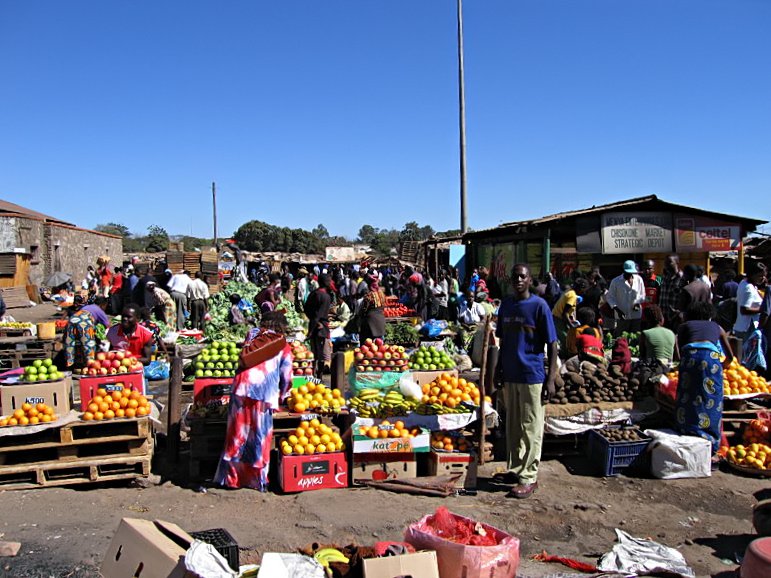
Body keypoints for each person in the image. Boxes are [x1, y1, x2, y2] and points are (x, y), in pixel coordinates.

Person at [495, 264, 558, 499]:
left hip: (532, 376)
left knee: (531, 427)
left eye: (523, 276)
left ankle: (529, 477)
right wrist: (497, 370)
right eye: (515, 277)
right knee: (513, 426)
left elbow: (552, 344)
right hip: (510, 375)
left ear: (530, 279)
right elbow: (502, 342)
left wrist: (550, 379)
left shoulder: (539, 306)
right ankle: (517, 468)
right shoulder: (507, 305)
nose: (518, 280)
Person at [214, 312, 293, 491]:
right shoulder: (283, 345)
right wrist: (283, 397)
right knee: (259, 438)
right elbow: (286, 376)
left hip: (240, 390)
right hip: (263, 394)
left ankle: (232, 480)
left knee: (237, 436)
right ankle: (257, 481)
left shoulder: (252, 335)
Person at [675, 301, 734, 454]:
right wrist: (722, 366)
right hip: (711, 359)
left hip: (691, 357)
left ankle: (686, 431)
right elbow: (730, 355)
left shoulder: (685, 326)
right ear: (709, 315)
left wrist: (683, 363)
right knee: (711, 398)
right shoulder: (717, 327)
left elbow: (679, 351)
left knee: (687, 395)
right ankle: (711, 441)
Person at [733, 261, 768, 371]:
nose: (762, 278)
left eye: (764, 276)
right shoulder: (748, 288)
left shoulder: (745, 283)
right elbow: (744, 309)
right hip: (747, 328)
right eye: (760, 276)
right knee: (747, 360)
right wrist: (763, 310)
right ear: (752, 274)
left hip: (744, 327)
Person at [65, 296, 110, 368]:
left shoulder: (87, 306)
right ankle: (91, 364)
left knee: (70, 343)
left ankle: (70, 364)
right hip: (84, 321)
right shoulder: (99, 310)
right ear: (103, 305)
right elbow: (107, 325)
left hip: (72, 319)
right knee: (88, 344)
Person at [605, 260, 646, 336]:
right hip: (622, 317)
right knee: (622, 339)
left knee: (635, 338)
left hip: (636, 316)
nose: (630, 274)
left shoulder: (639, 279)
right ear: (623, 270)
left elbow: (642, 295)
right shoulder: (615, 281)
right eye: (628, 272)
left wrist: (637, 303)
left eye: (631, 272)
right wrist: (617, 309)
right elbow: (610, 297)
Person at [304, 274, 332, 378]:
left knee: (313, 354)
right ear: (326, 282)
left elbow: (306, 309)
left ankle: (312, 376)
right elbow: (319, 314)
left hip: (313, 325)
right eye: (329, 281)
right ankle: (319, 377)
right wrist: (317, 323)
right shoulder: (325, 297)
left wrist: (312, 326)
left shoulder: (313, 294)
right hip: (321, 328)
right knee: (321, 355)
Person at [551, 277, 588, 357]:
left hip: (558, 317)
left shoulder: (570, 292)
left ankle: (564, 353)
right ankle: (565, 356)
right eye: (584, 289)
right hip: (558, 318)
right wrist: (571, 326)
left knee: (566, 337)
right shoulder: (572, 296)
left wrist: (572, 321)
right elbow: (565, 313)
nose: (584, 292)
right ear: (580, 288)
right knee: (565, 338)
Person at [357, 274, 387, 341]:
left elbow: (364, 309)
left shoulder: (369, 295)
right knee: (380, 345)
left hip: (370, 323)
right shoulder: (382, 294)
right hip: (381, 320)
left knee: (368, 345)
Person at [659, 254, 684, 330]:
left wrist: (680, 313)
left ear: (677, 263)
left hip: (676, 318)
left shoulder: (682, 279)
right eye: (665, 262)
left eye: (669, 262)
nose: (666, 265)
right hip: (663, 317)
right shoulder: (664, 278)